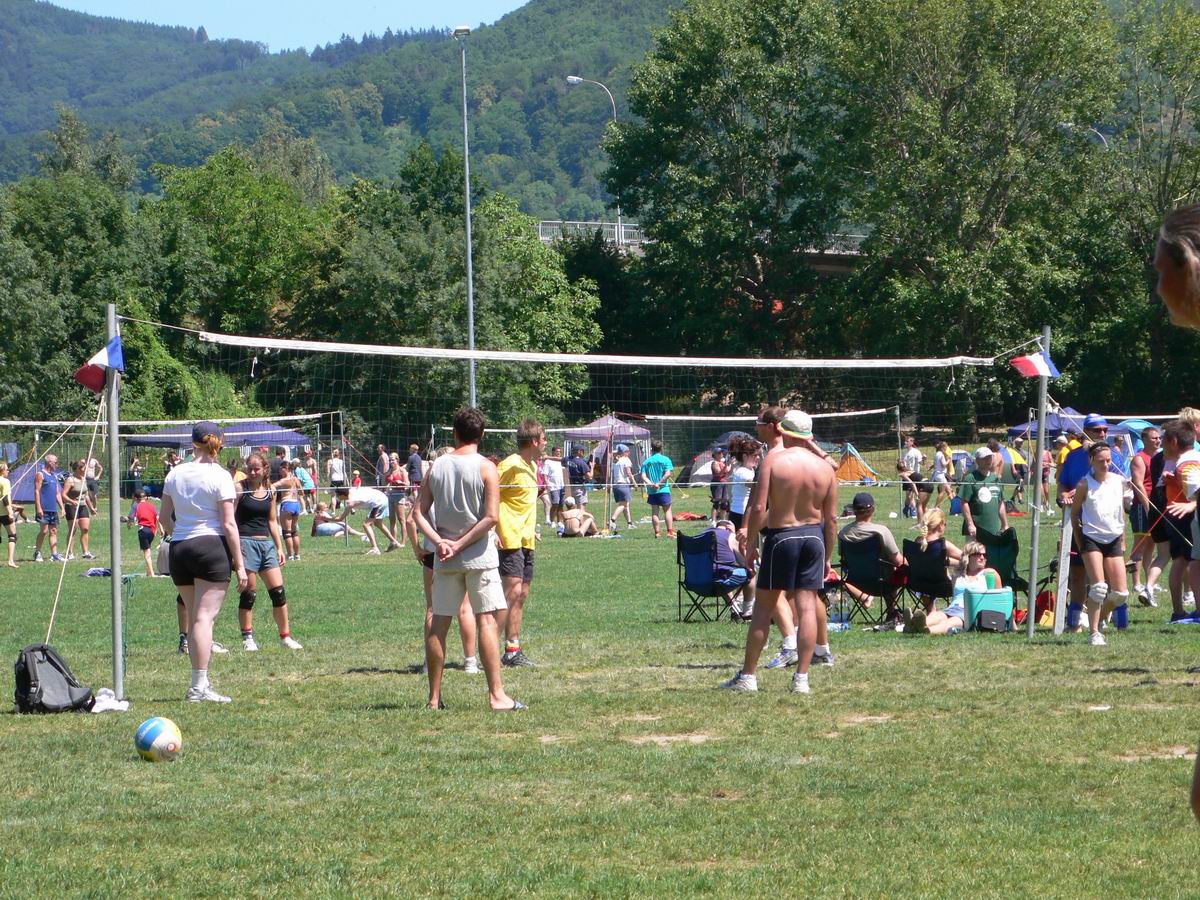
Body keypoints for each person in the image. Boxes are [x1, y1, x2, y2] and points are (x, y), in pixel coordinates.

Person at [721, 409, 837, 695]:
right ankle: (802, 679)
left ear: (783, 430)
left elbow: (760, 507)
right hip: (814, 538)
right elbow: (832, 519)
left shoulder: (774, 460)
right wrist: (828, 557)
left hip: (783, 536)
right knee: (807, 607)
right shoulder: (826, 469)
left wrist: (749, 544)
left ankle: (748, 676)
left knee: (763, 607)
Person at [414, 407, 522, 712]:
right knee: (487, 619)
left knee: (439, 623)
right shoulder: (487, 467)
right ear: (482, 434)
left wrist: (440, 543)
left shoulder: (437, 465)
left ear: (454, 433)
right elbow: (491, 517)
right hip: (478, 557)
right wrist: (459, 544)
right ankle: (497, 696)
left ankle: (434, 699)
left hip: (445, 559)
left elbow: (418, 513)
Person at [159, 421, 248, 703]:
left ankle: (201, 683)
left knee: (197, 617)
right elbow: (229, 524)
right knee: (204, 618)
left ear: (192, 443)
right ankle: (198, 687)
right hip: (211, 547)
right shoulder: (220, 475)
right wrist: (240, 564)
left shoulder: (175, 473)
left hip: (180, 549)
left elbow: (164, 518)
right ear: (219, 443)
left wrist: (179, 535)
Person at [236, 453, 302, 652]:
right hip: (245, 543)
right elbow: (230, 519)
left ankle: (285, 637)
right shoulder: (240, 488)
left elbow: (272, 521)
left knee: (278, 592)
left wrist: (279, 547)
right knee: (249, 594)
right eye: (250, 468)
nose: (252, 472)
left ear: (265, 469)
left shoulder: (270, 491)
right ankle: (248, 638)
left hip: (266, 545)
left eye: (257, 469)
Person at [1072, 441, 1132, 646]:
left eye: (1108, 461)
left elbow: (1120, 512)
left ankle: (1102, 616)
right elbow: (1074, 514)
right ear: (1091, 461)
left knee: (1121, 593)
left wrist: (1122, 538)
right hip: (1091, 538)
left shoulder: (1118, 481)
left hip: (1113, 538)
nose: (1105, 465)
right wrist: (1080, 540)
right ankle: (1094, 633)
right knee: (1098, 588)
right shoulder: (1084, 484)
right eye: (1101, 461)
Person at [497, 419, 545, 668]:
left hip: (526, 539)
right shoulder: (510, 465)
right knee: (511, 593)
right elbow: (487, 492)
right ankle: (488, 650)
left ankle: (512, 651)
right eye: (544, 439)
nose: (546, 443)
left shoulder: (532, 465)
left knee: (521, 594)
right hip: (508, 537)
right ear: (534, 441)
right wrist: (491, 529)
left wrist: (532, 530)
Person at [838, 491, 905, 626]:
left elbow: (843, 559)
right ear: (872, 510)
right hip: (882, 584)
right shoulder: (880, 531)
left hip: (854, 583)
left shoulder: (843, 533)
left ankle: (892, 611)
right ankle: (891, 611)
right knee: (894, 568)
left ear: (854, 511)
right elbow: (898, 561)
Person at [907, 542, 995, 635]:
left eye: (984, 555)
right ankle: (912, 624)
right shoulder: (957, 576)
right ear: (968, 556)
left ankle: (926, 630)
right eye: (978, 554)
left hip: (970, 612)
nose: (982, 557)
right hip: (953, 608)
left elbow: (998, 598)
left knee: (951, 622)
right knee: (936, 615)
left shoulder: (989, 574)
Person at [1129, 426, 1163, 605]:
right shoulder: (1139, 458)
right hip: (1143, 507)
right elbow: (1138, 484)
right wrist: (1147, 506)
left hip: (1157, 505)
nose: (1158, 440)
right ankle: (1136, 583)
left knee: (1151, 545)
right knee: (1140, 545)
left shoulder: (1159, 457)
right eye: (1154, 438)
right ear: (1144, 440)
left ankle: (1150, 581)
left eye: (1159, 438)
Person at [959, 446, 1009, 540]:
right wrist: (970, 524)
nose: (988, 460)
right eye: (984, 458)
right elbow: (964, 503)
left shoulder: (996, 479)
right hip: (975, 531)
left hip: (994, 530)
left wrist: (1005, 524)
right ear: (977, 461)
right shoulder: (970, 478)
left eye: (990, 457)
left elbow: (1000, 503)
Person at [338, 485, 400, 554]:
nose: (337, 497)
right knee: (378, 523)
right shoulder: (351, 490)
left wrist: (329, 518)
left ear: (342, 495)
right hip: (383, 498)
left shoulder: (351, 502)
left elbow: (340, 518)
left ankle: (375, 549)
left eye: (337, 495)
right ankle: (394, 542)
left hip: (378, 502)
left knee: (366, 525)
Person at [62, 459, 97, 560]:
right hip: (71, 506)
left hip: (82, 506)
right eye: (84, 469)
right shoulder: (70, 480)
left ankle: (85, 552)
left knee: (85, 529)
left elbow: (86, 496)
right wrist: (71, 501)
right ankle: (70, 553)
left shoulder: (83, 479)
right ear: (78, 469)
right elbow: (63, 495)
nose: (86, 470)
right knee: (73, 529)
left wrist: (91, 508)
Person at [640, 439, 675, 538]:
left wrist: (652, 484)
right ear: (661, 448)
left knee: (655, 512)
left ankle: (657, 533)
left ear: (651, 449)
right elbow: (667, 474)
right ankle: (670, 532)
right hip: (664, 489)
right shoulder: (666, 459)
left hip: (652, 491)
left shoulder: (646, 461)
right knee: (667, 511)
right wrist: (659, 483)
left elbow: (643, 476)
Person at [33, 454, 64, 563]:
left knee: (54, 531)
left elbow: (57, 493)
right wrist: (38, 508)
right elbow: (37, 491)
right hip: (43, 508)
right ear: (49, 462)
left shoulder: (54, 476)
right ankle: (37, 552)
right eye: (56, 462)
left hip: (53, 509)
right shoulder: (40, 474)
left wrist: (62, 507)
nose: (57, 464)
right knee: (44, 531)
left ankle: (54, 554)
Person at [727, 435, 760, 531]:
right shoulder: (741, 471)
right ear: (745, 456)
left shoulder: (750, 470)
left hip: (746, 513)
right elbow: (754, 485)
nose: (758, 458)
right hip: (740, 514)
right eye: (755, 455)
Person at [273, 460, 303, 562]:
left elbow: (272, 486)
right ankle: (297, 555)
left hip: (287, 504)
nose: (279, 471)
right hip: (296, 504)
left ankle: (290, 555)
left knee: (287, 531)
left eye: (280, 469)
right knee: (294, 531)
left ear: (286, 469)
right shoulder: (295, 479)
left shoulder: (284, 480)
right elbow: (302, 492)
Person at [125, 489, 161, 577]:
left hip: (143, 530)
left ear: (136, 498)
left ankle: (151, 573)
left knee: (147, 552)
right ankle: (148, 572)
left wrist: (129, 524)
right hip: (152, 531)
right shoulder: (152, 505)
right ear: (145, 497)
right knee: (148, 549)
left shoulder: (136, 506)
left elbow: (131, 517)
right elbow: (157, 518)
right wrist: (162, 530)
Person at [608, 444, 636, 532]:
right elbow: (629, 473)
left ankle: (629, 523)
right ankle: (612, 520)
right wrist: (634, 483)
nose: (629, 453)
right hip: (623, 485)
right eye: (627, 451)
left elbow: (611, 475)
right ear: (624, 452)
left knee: (626, 505)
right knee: (622, 505)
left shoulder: (615, 461)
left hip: (616, 485)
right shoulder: (626, 460)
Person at [386, 458, 410, 546]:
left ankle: (403, 542)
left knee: (401, 519)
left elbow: (407, 484)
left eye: (392, 460)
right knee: (392, 520)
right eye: (390, 460)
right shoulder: (389, 471)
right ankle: (394, 542)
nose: (391, 462)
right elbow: (386, 481)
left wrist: (400, 483)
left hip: (399, 495)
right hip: (390, 495)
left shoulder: (402, 471)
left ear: (397, 460)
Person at [541, 447, 565, 526]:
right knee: (555, 503)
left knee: (561, 504)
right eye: (557, 451)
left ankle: (560, 522)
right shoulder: (548, 461)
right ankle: (552, 521)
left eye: (560, 451)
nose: (558, 453)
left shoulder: (560, 461)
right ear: (553, 452)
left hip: (561, 486)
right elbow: (544, 474)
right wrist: (547, 483)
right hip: (553, 486)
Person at [0, 460, 17, 568]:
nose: (8, 471)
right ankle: (10, 561)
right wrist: (10, 513)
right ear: (2, 470)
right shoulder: (5, 481)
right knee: (12, 536)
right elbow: (5, 498)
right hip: (4, 513)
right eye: (7, 469)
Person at [710, 447, 731, 524]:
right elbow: (719, 473)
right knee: (716, 503)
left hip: (725, 483)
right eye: (719, 453)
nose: (721, 454)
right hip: (717, 484)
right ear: (715, 454)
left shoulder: (722, 462)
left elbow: (728, 472)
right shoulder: (714, 463)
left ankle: (722, 520)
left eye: (721, 452)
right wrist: (726, 465)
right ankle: (713, 520)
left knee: (724, 503)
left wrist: (731, 464)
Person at [931, 440, 953, 509]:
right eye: (945, 448)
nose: (946, 449)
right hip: (940, 475)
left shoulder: (937, 454)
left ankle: (954, 506)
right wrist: (949, 460)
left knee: (948, 490)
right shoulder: (941, 455)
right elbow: (944, 464)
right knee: (942, 492)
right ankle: (936, 507)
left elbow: (935, 464)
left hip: (938, 475)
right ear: (942, 448)